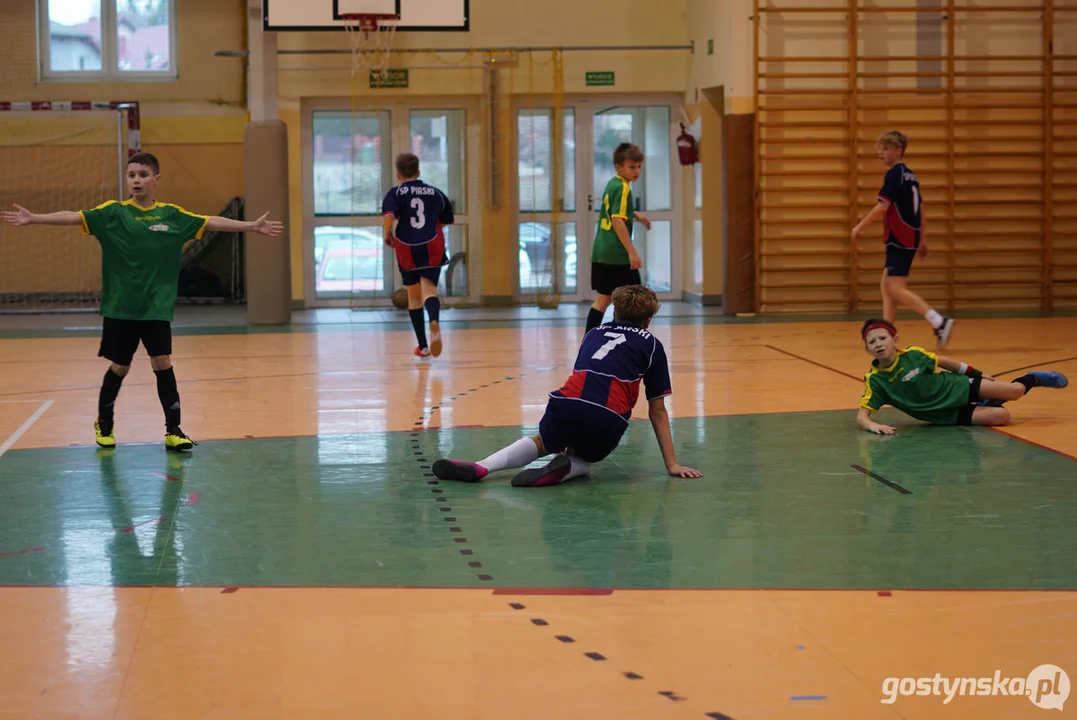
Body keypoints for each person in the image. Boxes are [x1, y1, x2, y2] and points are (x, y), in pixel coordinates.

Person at [1, 151, 284, 450]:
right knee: (120, 366)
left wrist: (251, 226)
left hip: (156, 308)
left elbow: (210, 221)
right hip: (121, 307)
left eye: (143, 174)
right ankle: (104, 422)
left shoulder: (171, 216)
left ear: (156, 179)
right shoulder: (113, 214)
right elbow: (75, 216)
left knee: (162, 363)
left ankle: (174, 430)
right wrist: (34, 218)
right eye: (131, 175)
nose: (136, 180)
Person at [432, 284, 702, 487]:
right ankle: (570, 467)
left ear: (614, 312)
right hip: (607, 415)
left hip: (565, 403)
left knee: (541, 442)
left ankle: (482, 466)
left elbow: (583, 375)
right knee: (587, 457)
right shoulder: (652, 344)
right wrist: (672, 464)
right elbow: (657, 410)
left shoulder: (593, 334)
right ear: (648, 320)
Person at [857, 318, 1068, 434]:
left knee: (1015, 391)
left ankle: (1034, 378)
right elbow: (862, 416)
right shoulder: (875, 380)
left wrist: (975, 373)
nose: (878, 344)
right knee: (1001, 417)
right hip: (944, 415)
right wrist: (873, 426)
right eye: (872, 342)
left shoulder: (914, 355)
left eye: (882, 338)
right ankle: (988, 402)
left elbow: (945, 362)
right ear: (867, 350)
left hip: (957, 386)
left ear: (895, 340)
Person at [851, 130, 955, 349]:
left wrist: (860, 226)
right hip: (909, 237)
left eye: (885, 149)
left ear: (898, 150)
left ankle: (939, 321)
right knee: (887, 285)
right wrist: (922, 239)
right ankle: (887, 332)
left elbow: (883, 205)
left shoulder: (895, 174)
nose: (881, 153)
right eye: (880, 148)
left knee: (895, 287)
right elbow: (921, 209)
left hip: (899, 237)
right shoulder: (911, 176)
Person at [382, 153, 454, 359]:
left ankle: (423, 347)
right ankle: (434, 320)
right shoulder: (435, 193)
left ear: (398, 175)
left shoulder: (395, 193)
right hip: (432, 244)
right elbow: (447, 219)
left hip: (406, 246)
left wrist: (387, 234)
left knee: (413, 297)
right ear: (419, 172)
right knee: (429, 290)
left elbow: (389, 215)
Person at [585, 142, 652, 334]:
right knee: (636, 300)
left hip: (601, 252)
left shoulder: (613, 183)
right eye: (632, 167)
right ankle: (627, 339)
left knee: (603, 300)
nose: (637, 171)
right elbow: (617, 220)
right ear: (618, 166)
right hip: (617, 254)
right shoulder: (623, 188)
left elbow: (614, 211)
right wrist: (632, 252)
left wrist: (636, 215)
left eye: (639, 166)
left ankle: (588, 343)